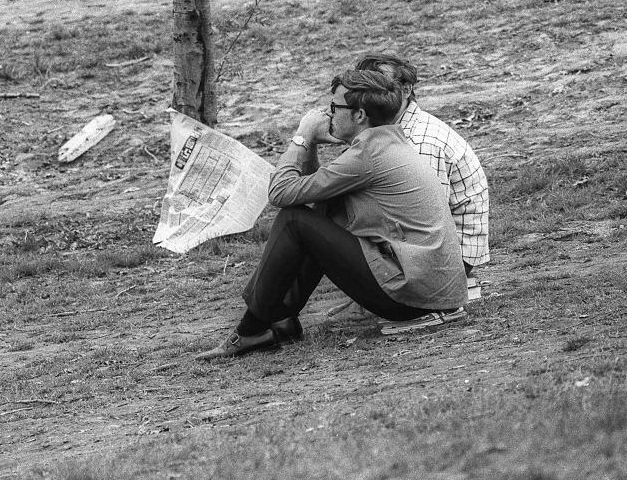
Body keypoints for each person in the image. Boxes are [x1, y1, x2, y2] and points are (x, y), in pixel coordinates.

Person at [196, 70, 467, 360]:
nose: (327, 113)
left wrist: (301, 137)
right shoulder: (384, 142)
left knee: (294, 222)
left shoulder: (367, 157)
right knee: (317, 217)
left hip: (413, 297)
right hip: (433, 292)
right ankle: (279, 320)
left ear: (360, 115)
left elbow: (279, 193)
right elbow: (316, 193)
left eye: (335, 108)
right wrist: (312, 144)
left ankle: (253, 329)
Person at [356, 53, 489, 277]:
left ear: (406, 90)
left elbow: (428, 222)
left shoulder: (420, 141)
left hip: (448, 259)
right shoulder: (395, 129)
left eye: (381, 88)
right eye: (365, 89)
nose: (370, 97)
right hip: (437, 246)